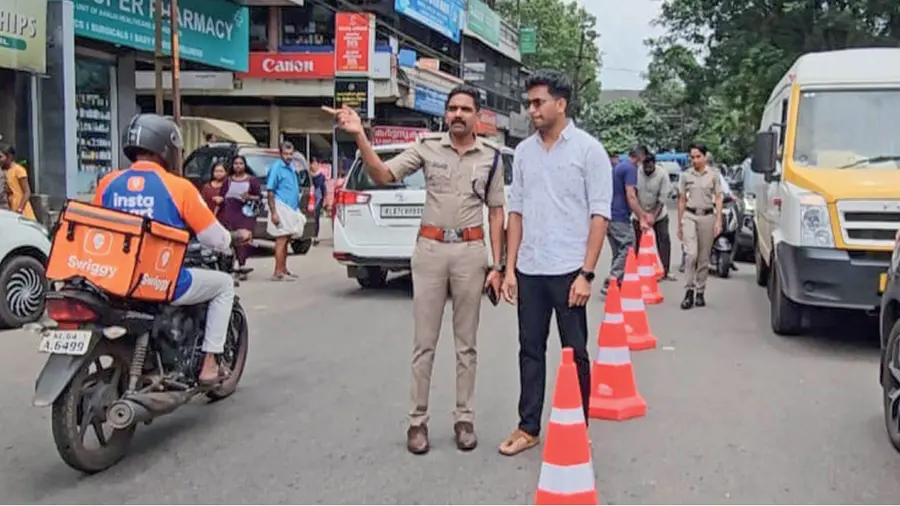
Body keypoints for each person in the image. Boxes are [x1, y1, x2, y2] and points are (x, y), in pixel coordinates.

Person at [325, 84, 506, 455]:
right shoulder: (426, 147)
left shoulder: (491, 157)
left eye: (465, 109)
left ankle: (464, 419)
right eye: (452, 108)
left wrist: (498, 265)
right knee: (424, 343)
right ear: (445, 113)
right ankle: (417, 423)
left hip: (471, 252)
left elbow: (496, 212)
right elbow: (383, 175)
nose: (458, 115)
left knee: (466, 345)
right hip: (430, 250)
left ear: (477, 116)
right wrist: (359, 135)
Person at [498, 69, 612, 457]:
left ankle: (578, 428)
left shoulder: (588, 151)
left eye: (538, 102)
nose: (531, 110)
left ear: (560, 104)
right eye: (529, 103)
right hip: (530, 268)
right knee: (529, 350)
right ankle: (528, 427)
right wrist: (510, 269)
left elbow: (599, 215)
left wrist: (586, 274)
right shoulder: (524, 153)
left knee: (574, 352)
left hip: (569, 272)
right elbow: (516, 212)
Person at [93, 114, 251, 384]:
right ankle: (210, 365)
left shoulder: (107, 183)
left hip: (112, 279)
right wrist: (232, 238)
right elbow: (215, 238)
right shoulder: (178, 187)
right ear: (166, 148)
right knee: (224, 285)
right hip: (158, 281)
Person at [677, 143, 723, 309]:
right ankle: (688, 291)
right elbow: (681, 199)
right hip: (690, 216)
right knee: (691, 255)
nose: (695, 160)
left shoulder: (713, 175)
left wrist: (718, 221)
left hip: (707, 217)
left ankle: (700, 291)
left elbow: (718, 198)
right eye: (692, 157)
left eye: (698, 157)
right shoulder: (685, 176)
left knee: (703, 258)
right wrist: (679, 224)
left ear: (705, 157)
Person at [604, 147, 651, 294]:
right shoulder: (630, 169)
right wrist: (641, 215)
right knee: (628, 247)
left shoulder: (618, 166)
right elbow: (631, 195)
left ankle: (616, 285)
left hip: (609, 213)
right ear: (640, 156)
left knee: (618, 251)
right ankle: (612, 279)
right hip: (620, 215)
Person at [219, 155, 262, 280]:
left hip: (246, 213)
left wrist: (249, 197)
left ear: (245, 165)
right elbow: (222, 196)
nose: (238, 166)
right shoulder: (228, 181)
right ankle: (231, 266)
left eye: (240, 163)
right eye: (236, 163)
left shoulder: (252, 180)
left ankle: (242, 265)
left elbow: (259, 197)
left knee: (243, 239)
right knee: (231, 240)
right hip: (230, 212)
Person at [266, 141, 304, 281]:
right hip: (280, 206)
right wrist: (274, 213)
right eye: (286, 154)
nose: (288, 156)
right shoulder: (276, 168)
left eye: (290, 154)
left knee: (287, 239)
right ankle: (278, 272)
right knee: (281, 240)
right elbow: (270, 191)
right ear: (280, 154)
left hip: (291, 208)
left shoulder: (291, 167)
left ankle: (284, 269)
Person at [633, 153, 674, 280]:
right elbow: (633, 195)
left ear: (654, 164)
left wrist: (653, 216)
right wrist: (641, 215)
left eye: (650, 167)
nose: (648, 170)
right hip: (639, 212)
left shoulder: (662, 174)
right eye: (646, 167)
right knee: (637, 241)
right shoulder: (636, 173)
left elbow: (662, 199)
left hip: (658, 213)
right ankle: (636, 269)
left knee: (663, 239)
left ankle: (665, 270)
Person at [0, 143, 36, 220]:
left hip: (20, 206)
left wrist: (20, 209)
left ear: (9, 157)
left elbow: (27, 192)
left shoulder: (18, 170)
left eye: (1, 157)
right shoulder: (3, 171)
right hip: (8, 207)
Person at [310, 159, 327, 245]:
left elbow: (323, 188)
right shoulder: (308, 175)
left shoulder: (321, 176)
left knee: (316, 217)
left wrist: (325, 199)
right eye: (313, 164)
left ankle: (315, 236)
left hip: (318, 199)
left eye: (316, 164)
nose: (314, 166)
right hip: (309, 197)